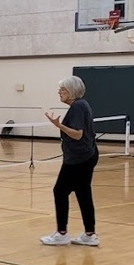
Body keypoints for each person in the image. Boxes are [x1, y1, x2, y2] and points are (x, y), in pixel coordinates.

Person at [40, 76, 100, 246]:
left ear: (72, 92)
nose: (60, 92)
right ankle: (89, 235)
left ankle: (62, 233)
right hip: (87, 155)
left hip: (78, 159)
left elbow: (77, 134)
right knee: (83, 193)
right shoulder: (81, 105)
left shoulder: (78, 106)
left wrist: (59, 126)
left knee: (59, 191)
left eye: (63, 90)